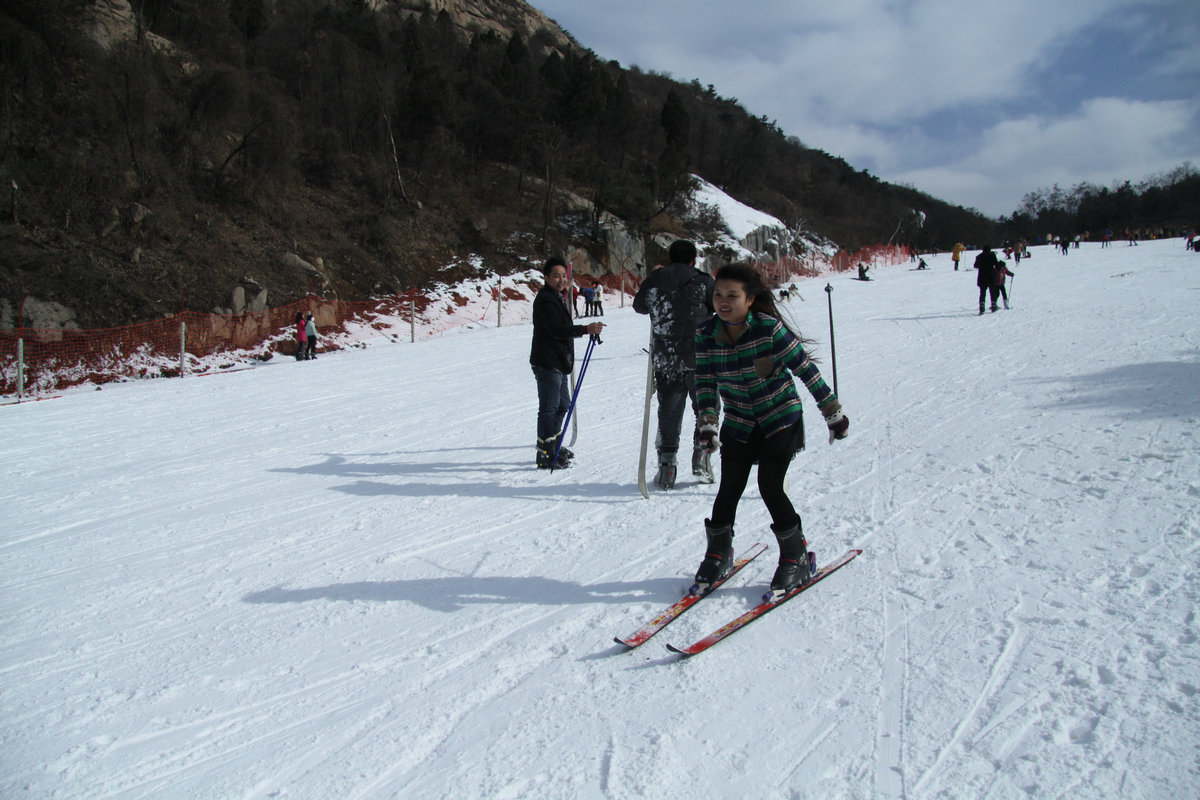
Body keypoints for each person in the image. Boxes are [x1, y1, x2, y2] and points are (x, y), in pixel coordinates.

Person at [692, 263, 848, 596]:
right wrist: (708, 422)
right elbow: (704, 381)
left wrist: (832, 412)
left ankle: (796, 556)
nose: (723, 301)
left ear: (749, 299)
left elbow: (805, 370)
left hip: (780, 418)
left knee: (770, 487)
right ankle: (719, 553)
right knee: (728, 489)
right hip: (740, 421)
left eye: (732, 295)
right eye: (718, 294)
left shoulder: (768, 329)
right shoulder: (705, 334)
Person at [632, 239, 715, 489]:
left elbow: (639, 306)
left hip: (666, 358)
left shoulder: (656, 280)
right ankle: (701, 457)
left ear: (669, 258)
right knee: (706, 408)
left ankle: (667, 467)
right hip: (699, 357)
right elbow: (718, 307)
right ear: (693, 260)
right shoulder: (703, 281)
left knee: (669, 412)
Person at [530, 256, 604, 469]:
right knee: (549, 407)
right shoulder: (545, 299)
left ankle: (554, 444)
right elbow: (555, 329)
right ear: (546, 278)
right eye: (556, 276)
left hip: (559, 362)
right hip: (547, 361)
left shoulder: (557, 296)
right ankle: (545, 452)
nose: (561, 279)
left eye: (564, 275)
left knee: (563, 405)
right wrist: (584, 329)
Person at [974, 246, 1001, 314]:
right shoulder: (992, 255)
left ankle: (982, 307)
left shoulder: (979, 256)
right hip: (990, 276)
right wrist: (999, 269)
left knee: (982, 293)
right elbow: (996, 265)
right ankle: (993, 306)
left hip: (982, 276)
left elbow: (975, 265)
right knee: (992, 291)